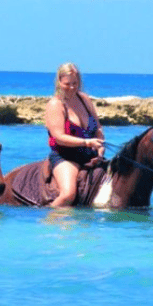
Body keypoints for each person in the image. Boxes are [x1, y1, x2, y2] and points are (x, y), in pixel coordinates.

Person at [45, 62, 105, 207]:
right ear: (59, 82)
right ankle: (48, 220)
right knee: (68, 194)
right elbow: (59, 137)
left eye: (75, 83)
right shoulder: (55, 104)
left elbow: (98, 129)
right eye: (67, 83)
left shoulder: (84, 99)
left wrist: (100, 148)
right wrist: (86, 142)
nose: (72, 87)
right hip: (66, 157)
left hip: (90, 156)